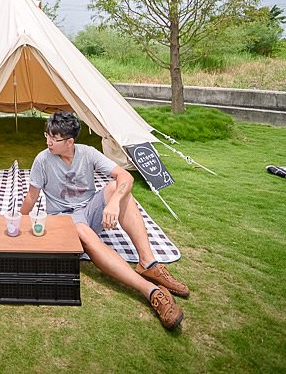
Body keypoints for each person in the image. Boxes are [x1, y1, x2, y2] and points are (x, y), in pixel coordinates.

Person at [19, 112, 189, 330]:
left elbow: (125, 177)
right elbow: (32, 196)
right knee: (85, 233)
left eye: (54, 138)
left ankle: (148, 262)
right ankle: (151, 291)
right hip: (64, 219)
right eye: (47, 135)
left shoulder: (88, 154)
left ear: (70, 142)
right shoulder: (43, 160)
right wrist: (18, 222)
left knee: (117, 189)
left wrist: (114, 202)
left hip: (89, 210)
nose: (48, 141)